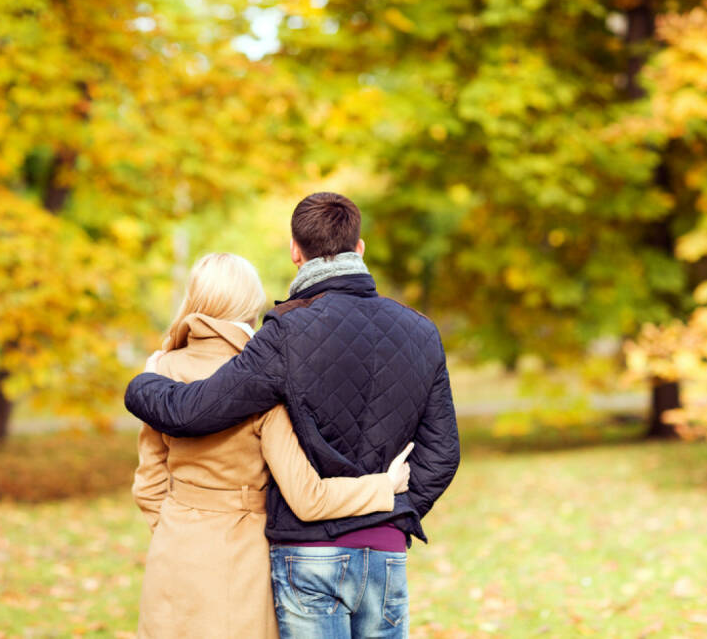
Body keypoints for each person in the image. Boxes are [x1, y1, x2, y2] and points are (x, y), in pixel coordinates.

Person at [126, 192, 460, 638]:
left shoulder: (283, 333)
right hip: (385, 549)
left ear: (294, 252)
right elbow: (443, 453)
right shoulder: (422, 330)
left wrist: (143, 383)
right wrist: (393, 512)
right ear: (359, 248)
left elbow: (195, 411)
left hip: (307, 551)